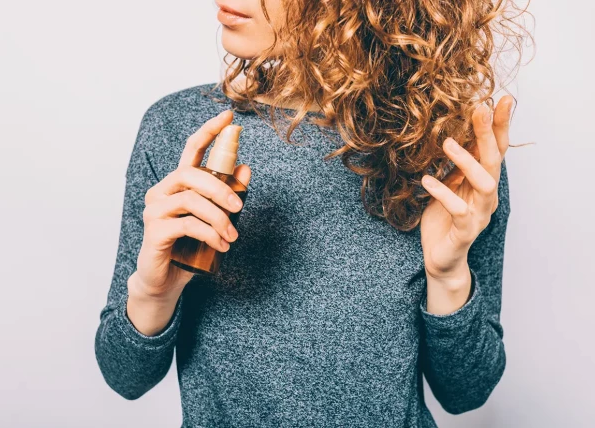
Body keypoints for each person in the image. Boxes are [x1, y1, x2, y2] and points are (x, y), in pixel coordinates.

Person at [95, 0, 531, 426]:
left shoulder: (445, 148)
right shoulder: (177, 128)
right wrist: (154, 295)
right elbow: (125, 375)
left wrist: (449, 276)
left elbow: (467, 392)